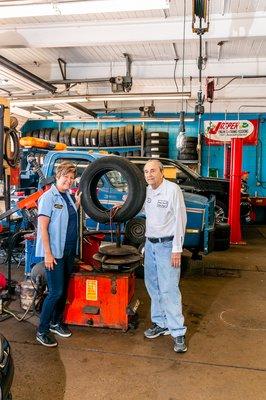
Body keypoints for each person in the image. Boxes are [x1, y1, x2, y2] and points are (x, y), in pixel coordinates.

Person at [35, 161, 82, 347]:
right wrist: (47, 253)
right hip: (54, 252)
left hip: (68, 250)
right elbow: (43, 228)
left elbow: (67, 219)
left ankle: (56, 322)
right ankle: (42, 330)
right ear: (57, 176)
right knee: (55, 292)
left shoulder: (68, 197)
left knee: (63, 291)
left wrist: (77, 204)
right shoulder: (48, 197)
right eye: (66, 177)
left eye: (72, 178)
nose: (69, 181)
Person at [143, 159, 187, 353]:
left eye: (153, 171)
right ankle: (161, 323)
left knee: (169, 289)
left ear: (162, 172)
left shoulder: (172, 190)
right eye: (146, 172)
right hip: (150, 244)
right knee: (153, 286)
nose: (149, 175)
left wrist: (177, 248)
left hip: (167, 245)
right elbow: (144, 212)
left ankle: (178, 332)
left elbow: (180, 219)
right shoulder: (147, 191)